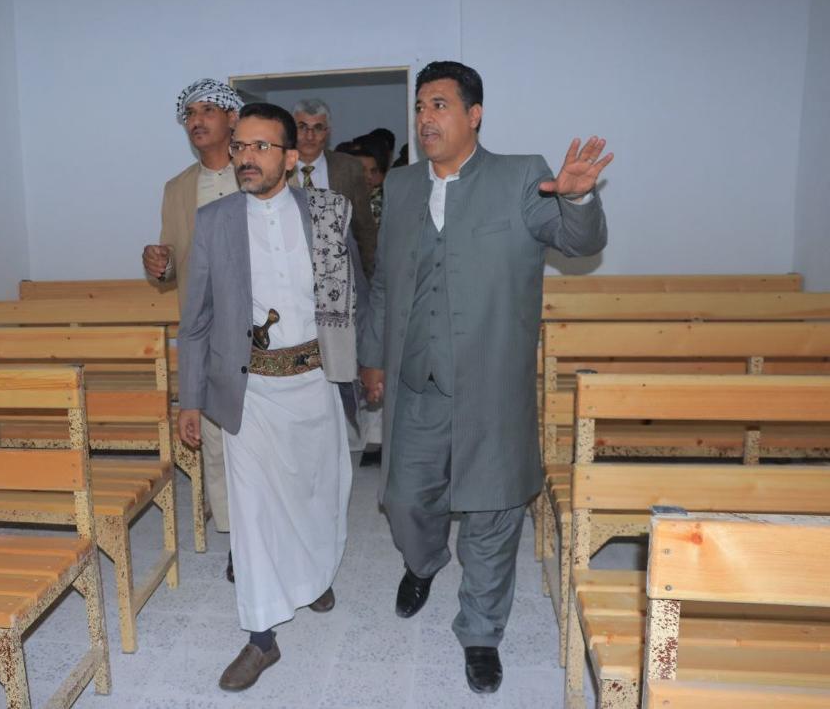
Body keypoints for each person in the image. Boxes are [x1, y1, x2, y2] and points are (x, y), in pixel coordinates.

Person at [359, 60, 612, 696]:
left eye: (440, 105)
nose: (425, 118)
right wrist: (373, 357)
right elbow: (385, 282)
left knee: (493, 514)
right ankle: (424, 562)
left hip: (491, 386)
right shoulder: (402, 184)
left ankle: (480, 633)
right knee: (405, 499)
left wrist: (578, 197)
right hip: (418, 384)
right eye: (420, 106)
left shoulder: (521, 176)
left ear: (474, 115)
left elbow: (578, 242)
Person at [177, 102, 359, 692]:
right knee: (253, 511)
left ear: (290, 155)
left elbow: (357, 292)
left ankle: (314, 575)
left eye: (261, 147)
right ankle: (261, 637)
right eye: (240, 146)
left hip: (317, 381)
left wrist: (370, 366)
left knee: (318, 493)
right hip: (249, 390)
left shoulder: (327, 213)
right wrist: (189, 399)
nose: (246, 158)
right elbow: (196, 320)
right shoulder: (215, 220)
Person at [142, 78, 242, 583]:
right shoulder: (178, 188)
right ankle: (239, 541)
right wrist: (157, 263)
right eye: (189, 114)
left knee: (267, 446)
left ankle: (280, 532)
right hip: (206, 334)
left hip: (262, 335)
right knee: (217, 443)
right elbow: (172, 266)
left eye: (207, 110)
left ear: (232, 118)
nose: (196, 121)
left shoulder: (258, 170)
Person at [290, 98, 379, 279]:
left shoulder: (348, 168)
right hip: (291, 274)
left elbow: (364, 229)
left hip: (340, 275)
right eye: (302, 127)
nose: (309, 136)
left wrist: (370, 279)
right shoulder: (277, 168)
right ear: (292, 130)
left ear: (328, 132)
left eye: (317, 128)